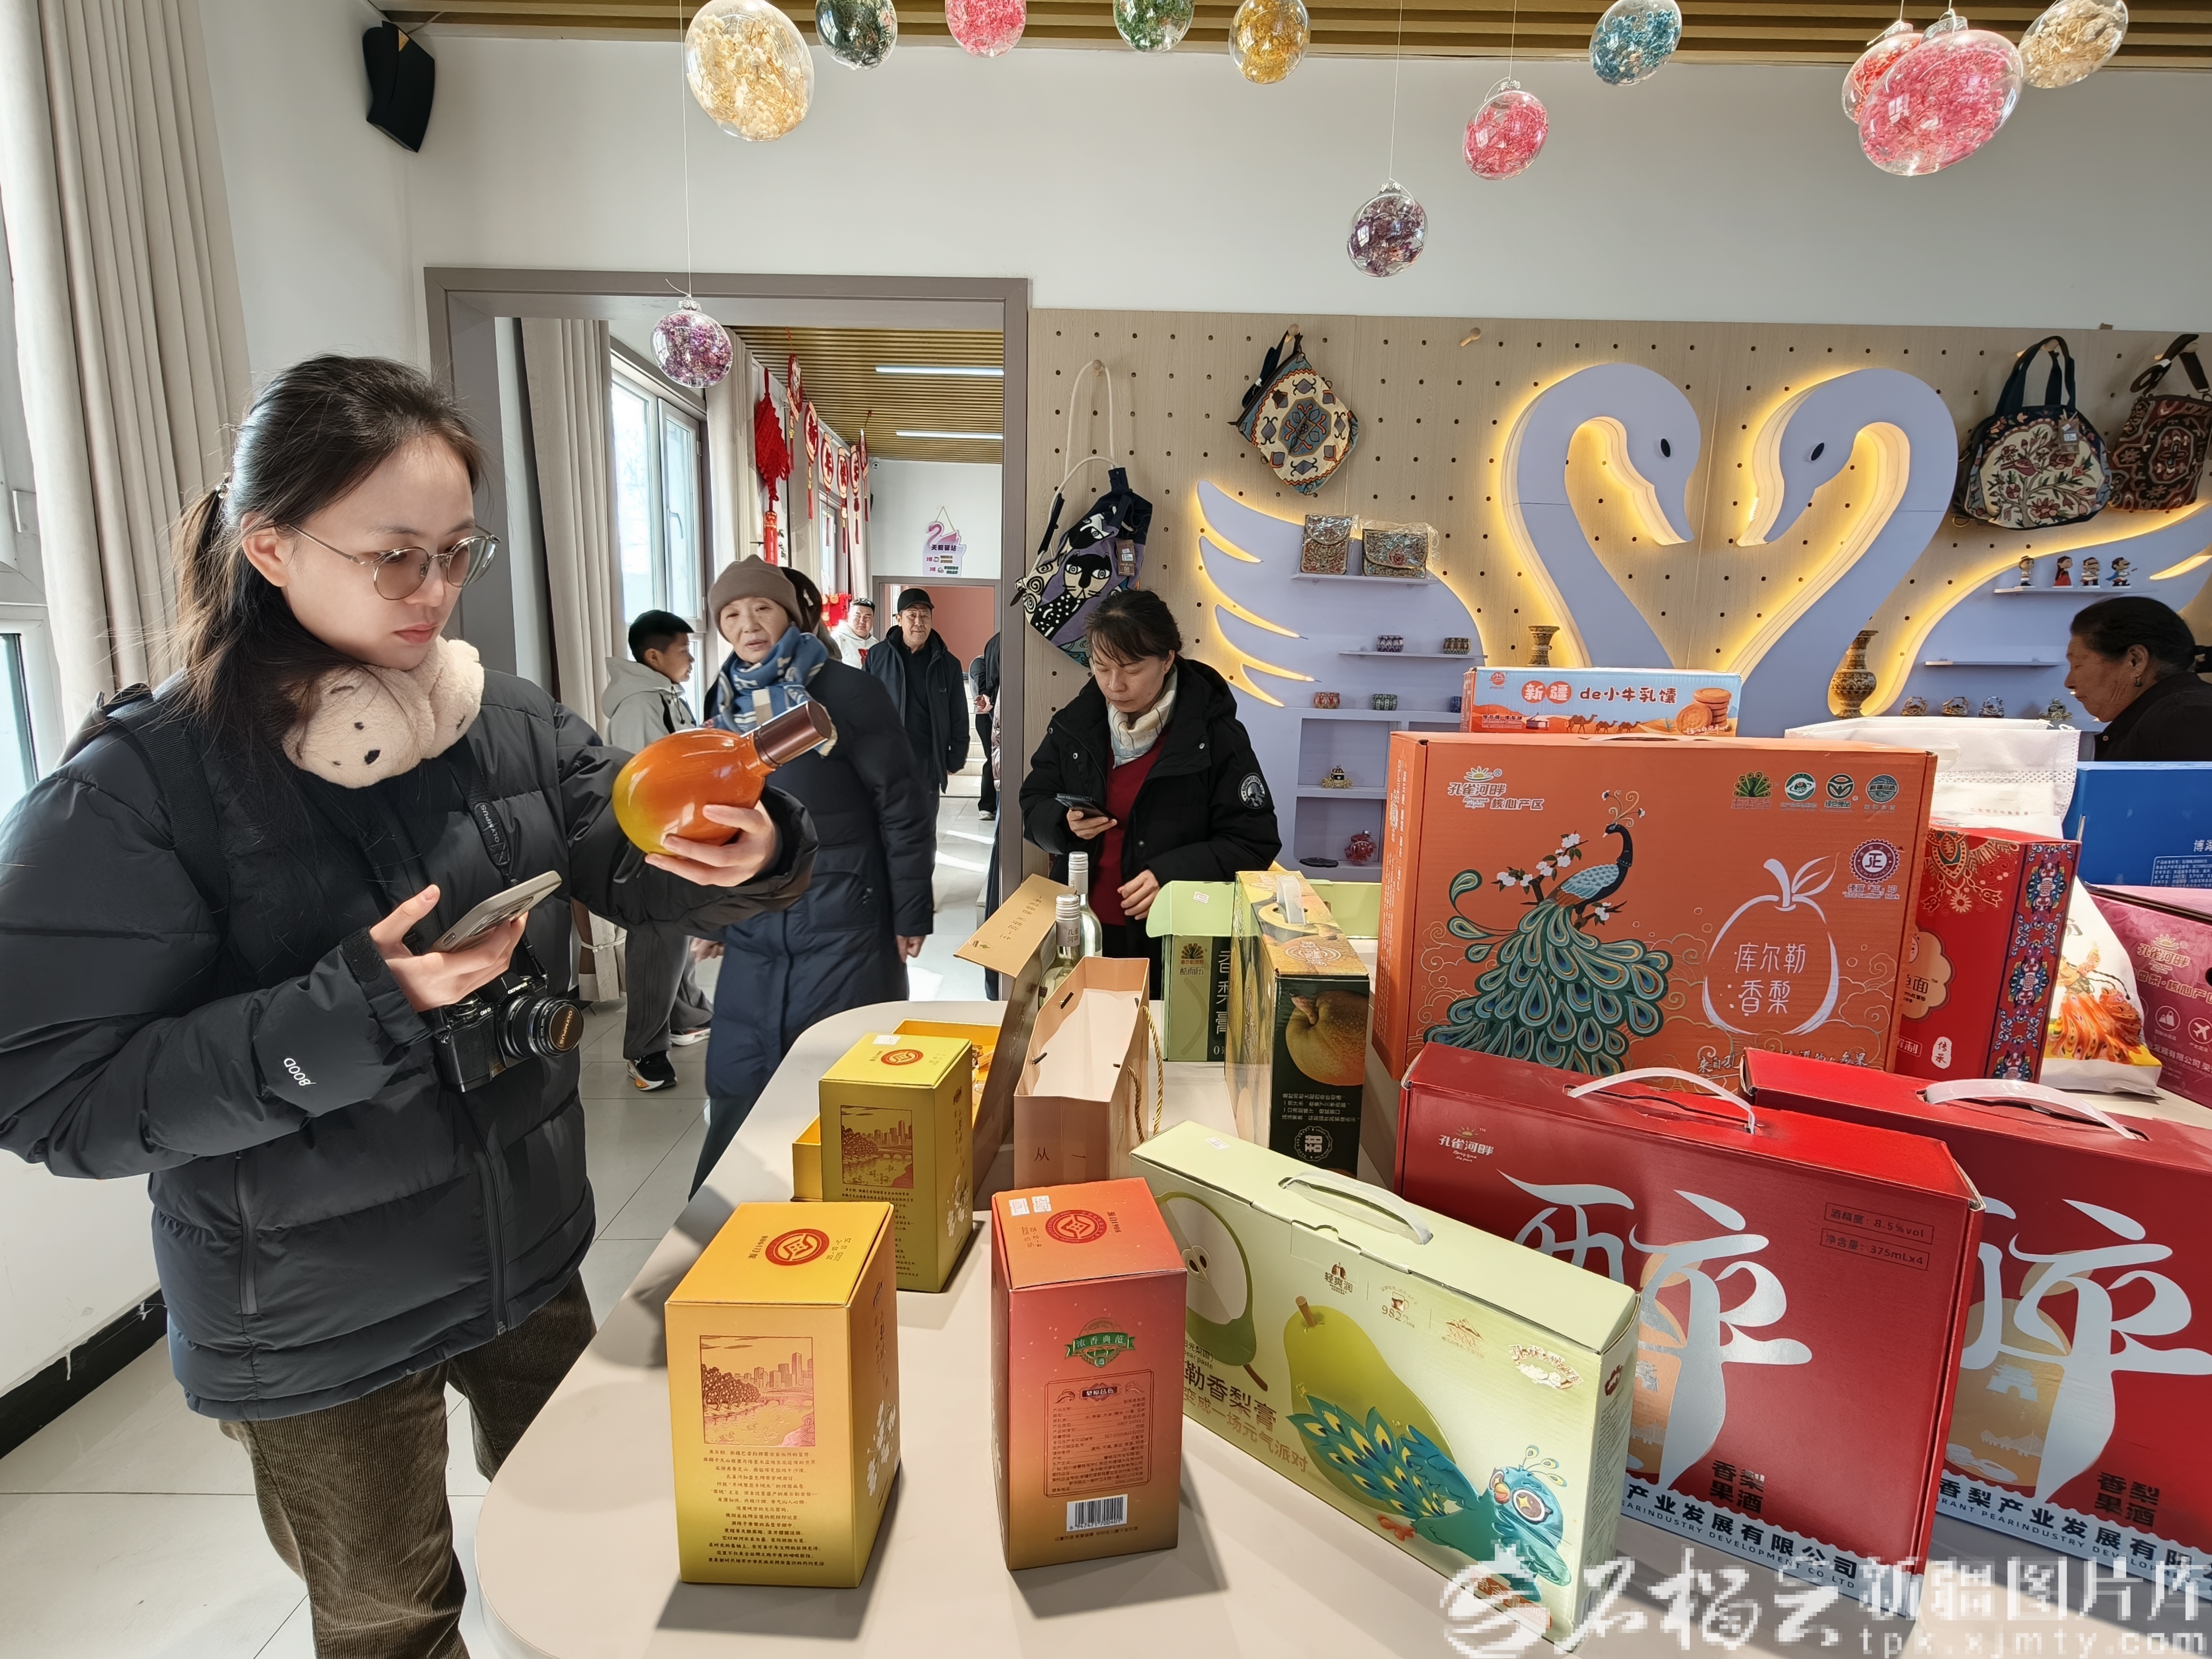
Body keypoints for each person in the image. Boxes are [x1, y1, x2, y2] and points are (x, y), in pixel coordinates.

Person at [0, 357, 814, 1658]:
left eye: (454, 553)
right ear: (269, 543)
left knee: (600, 1546)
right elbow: (55, 1095)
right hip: (311, 1314)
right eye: (392, 557)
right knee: (394, 1617)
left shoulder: (499, 720)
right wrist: (355, 1012)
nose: (432, 592)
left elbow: (623, 849)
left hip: (523, 1245)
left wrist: (747, 847)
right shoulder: (141, 785)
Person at [694, 557, 935, 1192]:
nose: (748, 625)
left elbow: (901, 804)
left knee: (843, 1083)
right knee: (742, 1079)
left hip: (844, 912)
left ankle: (853, 1224)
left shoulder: (846, 692)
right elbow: (714, 809)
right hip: (754, 916)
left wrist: (910, 910)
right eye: (731, 614)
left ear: (790, 614)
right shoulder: (724, 700)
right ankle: (736, 1224)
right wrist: (712, 914)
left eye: (762, 609)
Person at [1019, 588, 1280, 988]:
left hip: (1172, 938)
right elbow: (1033, 803)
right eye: (1101, 667)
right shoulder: (1077, 724)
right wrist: (1062, 823)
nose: (1114, 685)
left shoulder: (1214, 735)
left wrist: (1171, 874)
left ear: (1167, 659)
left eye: (1131, 668)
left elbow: (1253, 841)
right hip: (1080, 931)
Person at [602, 610, 713, 1090]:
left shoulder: (665, 697)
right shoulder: (638, 706)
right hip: (652, 841)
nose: (690, 659)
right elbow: (640, 779)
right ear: (653, 656)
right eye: (683, 650)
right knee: (655, 937)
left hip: (677, 834)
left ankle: (687, 1016)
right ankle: (644, 1051)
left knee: (678, 929)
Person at [2067, 595, 2212, 760]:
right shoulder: (2169, 717)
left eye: (2078, 665)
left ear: (2135, 661)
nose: (2069, 683)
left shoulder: (2184, 720)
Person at [865, 586, 970, 793]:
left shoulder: (948, 664)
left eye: (924, 615)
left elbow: (959, 715)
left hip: (927, 764)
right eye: (912, 615)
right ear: (899, 619)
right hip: (885, 762)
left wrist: (956, 758)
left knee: (924, 813)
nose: (919, 622)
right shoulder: (877, 656)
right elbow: (862, 707)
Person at [972, 630, 1001, 821]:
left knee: (993, 759)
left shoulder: (991, 645)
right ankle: (986, 806)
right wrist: (988, 698)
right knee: (992, 759)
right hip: (986, 715)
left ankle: (992, 805)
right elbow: (983, 689)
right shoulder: (978, 663)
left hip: (990, 712)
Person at [830, 594, 875, 666]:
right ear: (849, 617)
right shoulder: (836, 640)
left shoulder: (875, 644)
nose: (862, 621)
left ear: (873, 619)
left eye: (867, 617)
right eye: (858, 616)